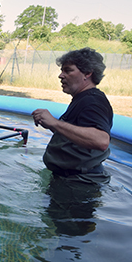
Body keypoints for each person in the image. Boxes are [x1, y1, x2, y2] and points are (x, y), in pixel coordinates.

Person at [32, 47, 113, 184]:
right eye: (61, 70)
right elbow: (77, 136)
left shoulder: (92, 101)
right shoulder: (82, 98)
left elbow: (101, 141)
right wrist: (52, 125)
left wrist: (55, 123)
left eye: (68, 70)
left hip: (81, 183)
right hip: (73, 180)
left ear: (87, 73)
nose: (61, 75)